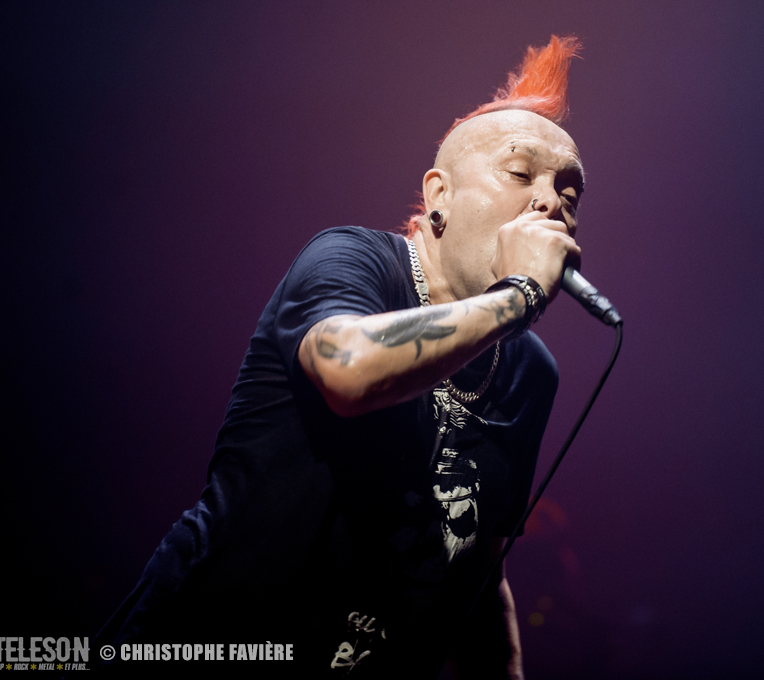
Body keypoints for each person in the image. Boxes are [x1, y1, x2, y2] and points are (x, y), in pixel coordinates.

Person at [93, 36, 585, 679]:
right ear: (438, 194)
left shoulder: (529, 372)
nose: (550, 202)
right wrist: (518, 296)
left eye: (569, 193)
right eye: (520, 174)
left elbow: (480, 576)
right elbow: (347, 373)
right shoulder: (350, 259)